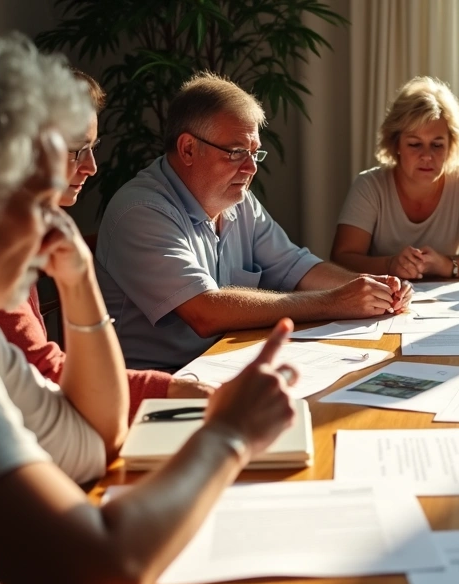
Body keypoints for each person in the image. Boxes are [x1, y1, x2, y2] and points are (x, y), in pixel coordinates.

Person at [0, 33, 301, 584]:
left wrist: (79, 278)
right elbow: (99, 577)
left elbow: (87, 442)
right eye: (37, 204)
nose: (54, 228)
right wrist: (228, 437)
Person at [96, 72, 413, 372]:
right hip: (162, 386)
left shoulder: (239, 200)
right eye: (236, 153)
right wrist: (336, 301)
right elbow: (205, 311)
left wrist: (371, 286)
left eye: (254, 154)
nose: (250, 168)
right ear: (188, 148)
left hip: (228, 364)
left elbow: (297, 267)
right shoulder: (141, 211)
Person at [0, 70, 212, 429]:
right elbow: (46, 379)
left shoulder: (26, 234)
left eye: (93, 148)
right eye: (78, 150)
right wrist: (183, 394)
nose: (91, 167)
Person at [331, 76, 459, 279]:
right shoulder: (369, 186)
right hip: (385, 301)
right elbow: (340, 260)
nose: (427, 156)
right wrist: (389, 265)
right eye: (414, 144)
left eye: (437, 145)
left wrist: (446, 265)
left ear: (451, 146)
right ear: (396, 144)